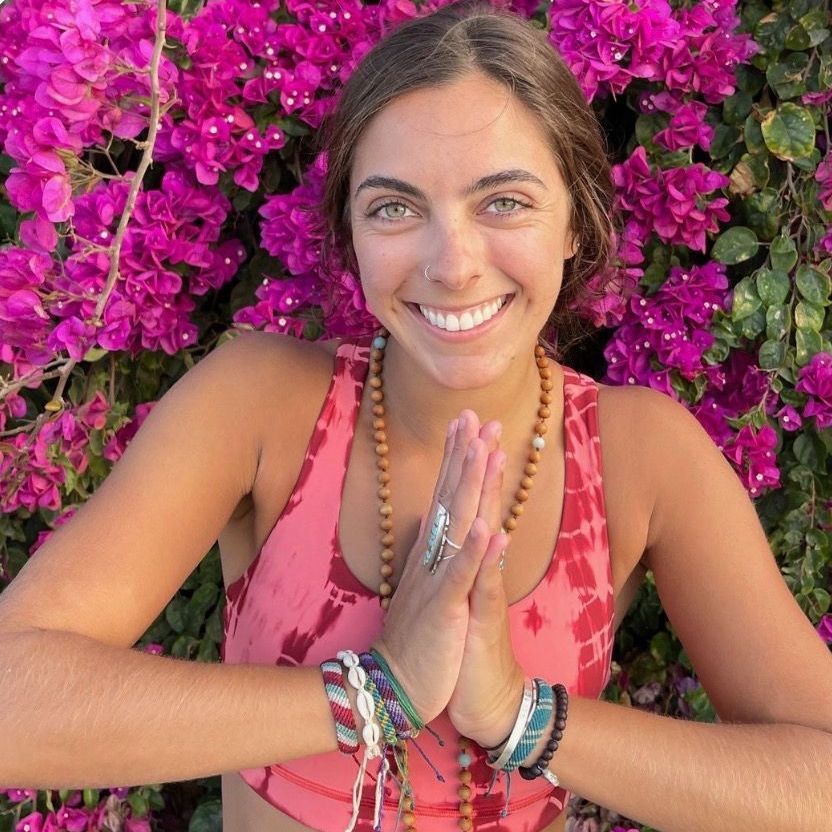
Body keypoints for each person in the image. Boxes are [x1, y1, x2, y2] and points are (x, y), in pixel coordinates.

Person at [1, 1, 831, 831]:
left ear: (577, 220)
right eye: (394, 208)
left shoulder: (642, 456)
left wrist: (518, 715)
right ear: (351, 235)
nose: (454, 264)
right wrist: (378, 689)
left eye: (504, 201)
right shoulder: (257, 407)